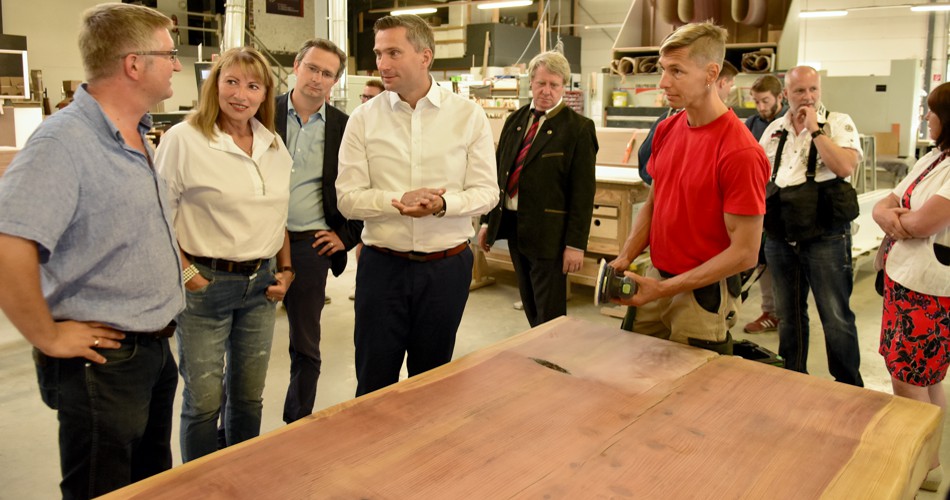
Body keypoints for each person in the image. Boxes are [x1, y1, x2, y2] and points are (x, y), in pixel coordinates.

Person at [0, 4, 183, 497]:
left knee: (146, 483)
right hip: (104, 362)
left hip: (151, 349)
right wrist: (47, 336)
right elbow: (8, 242)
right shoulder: (63, 143)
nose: (178, 65)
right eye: (168, 54)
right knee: (101, 486)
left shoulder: (133, 134)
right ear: (133, 64)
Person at [337, 14, 498, 396]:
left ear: (425, 56)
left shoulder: (467, 116)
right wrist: (397, 203)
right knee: (374, 381)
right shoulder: (362, 120)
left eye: (393, 52)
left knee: (433, 382)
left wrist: (443, 203)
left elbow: (487, 192)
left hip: (446, 269)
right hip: (382, 269)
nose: (382, 64)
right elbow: (346, 198)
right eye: (378, 53)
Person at [155, 46, 294, 461]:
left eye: (253, 85)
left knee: (249, 398)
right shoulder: (185, 138)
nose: (241, 94)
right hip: (204, 286)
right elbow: (158, 216)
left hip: (261, 287)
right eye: (231, 81)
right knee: (204, 401)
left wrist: (286, 269)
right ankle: (201, 485)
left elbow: (278, 213)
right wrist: (185, 275)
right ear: (213, 85)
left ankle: (241, 474)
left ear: (265, 93)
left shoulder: (272, 143)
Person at [607, 22, 769, 354]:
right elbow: (655, 201)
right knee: (635, 372)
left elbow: (744, 253)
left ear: (711, 73)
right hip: (656, 276)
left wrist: (665, 290)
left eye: (677, 71)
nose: (663, 83)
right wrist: (625, 257)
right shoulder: (667, 129)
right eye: (663, 70)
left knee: (693, 396)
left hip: (703, 294)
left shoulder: (740, 152)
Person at [760, 66, 864, 386]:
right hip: (781, 232)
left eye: (813, 90)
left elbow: (844, 166)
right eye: (799, 91)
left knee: (834, 316)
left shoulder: (838, 122)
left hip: (825, 234)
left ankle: (849, 386)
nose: (807, 97)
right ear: (785, 95)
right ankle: (793, 378)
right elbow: (760, 173)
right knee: (788, 315)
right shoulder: (775, 129)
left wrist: (817, 131)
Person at [477, 50, 598, 327]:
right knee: (530, 306)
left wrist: (576, 245)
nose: (547, 91)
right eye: (541, 83)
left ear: (564, 87)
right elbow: (498, 176)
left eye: (554, 85)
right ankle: (538, 358)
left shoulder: (578, 129)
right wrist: (487, 221)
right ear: (530, 82)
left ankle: (553, 362)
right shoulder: (515, 121)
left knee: (550, 313)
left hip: (551, 236)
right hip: (515, 228)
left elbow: (583, 193)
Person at [277, 38, 362, 424]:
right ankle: (233, 432)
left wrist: (345, 237)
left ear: (335, 82)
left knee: (306, 343)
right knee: (243, 343)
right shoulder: (262, 113)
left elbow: (364, 186)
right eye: (312, 68)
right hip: (258, 244)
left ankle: (298, 421)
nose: (318, 78)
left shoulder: (345, 128)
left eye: (327, 74)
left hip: (310, 246)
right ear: (296, 66)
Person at [872, 81, 950, 492]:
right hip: (905, 280)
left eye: (932, 112)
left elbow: (923, 223)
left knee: (909, 376)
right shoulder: (936, 158)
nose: (927, 118)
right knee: (927, 376)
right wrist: (896, 220)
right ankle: (932, 462)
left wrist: (899, 222)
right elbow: (886, 201)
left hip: (931, 290)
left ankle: (921, 462)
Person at [635, 60, 737, 185]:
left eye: (677, 72)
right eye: (730, 86)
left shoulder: (737, 144)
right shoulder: (668, 123)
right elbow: (647, 165)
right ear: (722, 82)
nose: (663, 83)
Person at [742, 74, 788, 334]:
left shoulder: (790, 124)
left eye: (765, 101)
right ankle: (770, 312)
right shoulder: (752, 124)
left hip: (784, 204)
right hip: (760, 201)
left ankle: (785, 314)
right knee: (761, 260)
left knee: (782, 263)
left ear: (780, 97)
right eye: (757, 102)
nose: (761, 107)